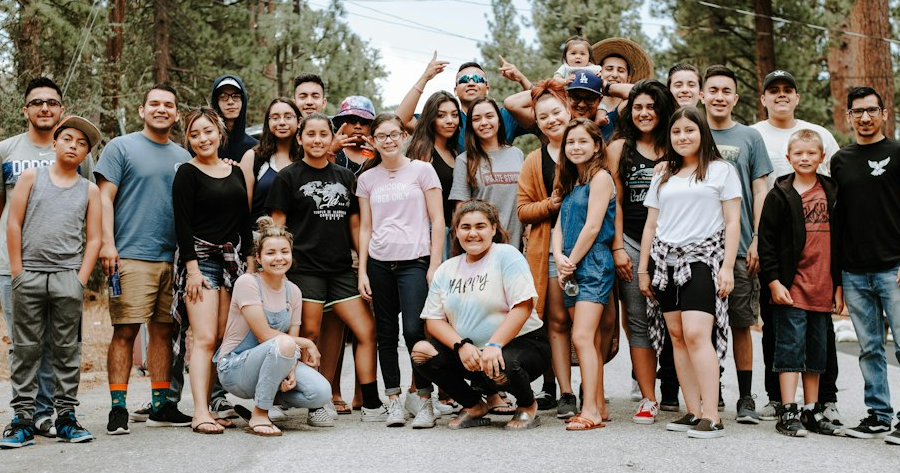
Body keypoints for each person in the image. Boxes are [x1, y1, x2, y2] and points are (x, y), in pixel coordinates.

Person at [265, 113, 384, 421]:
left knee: (366, 329)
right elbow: (277, 230)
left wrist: (364, 265)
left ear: (331, 138)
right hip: (305, 268)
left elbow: (355, 226)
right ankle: (299, 399)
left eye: (323, 134)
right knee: (310, 332)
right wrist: (276, 271)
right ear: (300, 138)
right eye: (311, 134)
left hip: (341, 268)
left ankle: (366, 402)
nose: (317, 140)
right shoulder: (288, 177)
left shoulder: (344, 177)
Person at [0, 77, 94, 439]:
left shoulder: (81, 162)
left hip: (65, 270)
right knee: (25, 345)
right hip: (17, 268)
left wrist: (80, 277)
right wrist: (16, 269)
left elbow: (89, 217)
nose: (44, 107)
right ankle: (25, 415)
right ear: (25, 110)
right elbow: (8, 216)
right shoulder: (9, 152)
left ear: (61, 109)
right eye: (37, 102)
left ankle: (52, 415)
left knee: (61, 345)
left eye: (51, 102)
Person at [96, 84, 193, 435]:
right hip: (131, 255)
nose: (161, 109)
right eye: (154, 104)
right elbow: (104, 198)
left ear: (177, 114)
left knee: (164, 332)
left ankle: (161, 404)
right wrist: (107, 244)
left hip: (174, 259)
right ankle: (117, 408)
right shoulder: (121, 147)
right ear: (142, 110)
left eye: (168, 105)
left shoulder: (184, 156)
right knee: (125, 330)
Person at [639, 106, 742, 439]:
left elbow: (732, 222)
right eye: (676, 131)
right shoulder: (663, 174)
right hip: (664, 263)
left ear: (702, 133)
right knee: (678, 337)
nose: (682, 137)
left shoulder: (721, 171)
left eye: (689, 130)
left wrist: (728, 267)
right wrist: (643, 269)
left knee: (697, 334)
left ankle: (712, 414)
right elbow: (651, 224)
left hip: (702, 261)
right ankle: (693, 410)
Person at [750, 69, 842, 424]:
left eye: (788, 89)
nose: (781, 94)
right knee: (783, 340)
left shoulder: (831, 188)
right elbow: (768, 235)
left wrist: (838, 283)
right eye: (773, 90)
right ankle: (783, 403)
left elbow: (841, 234)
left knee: (818, 345)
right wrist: (773, 277)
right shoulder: (778, 188)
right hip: (788, 276)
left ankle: (815, 406)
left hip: (822, 281)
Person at [411, 199, 549, 430]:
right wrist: (461, 345)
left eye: (480, 226)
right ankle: (474, 405)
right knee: (421, 352)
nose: (473, 233)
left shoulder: (507, 255)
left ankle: (527, 404)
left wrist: (495, 345)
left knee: (503, 363)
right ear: (456, 232)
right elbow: (433, 321)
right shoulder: (446, 269)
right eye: (465, 227)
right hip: (473, 355)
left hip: (523, 346)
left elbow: (523, 306)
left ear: (493, 229)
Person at [357, 113, 444, 428]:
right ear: (373, 141)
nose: (389, 140)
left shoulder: (422, 170)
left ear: (403, 136)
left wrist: (434, 264)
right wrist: (362, 271)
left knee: (413, 330)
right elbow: (365, 227)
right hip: (379, 263)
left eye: (394, 134)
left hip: (414, 261)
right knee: (386, 333)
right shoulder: (367, 179)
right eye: (381, 136)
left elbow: (438, 220)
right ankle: (393, 400)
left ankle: (424, 400)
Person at [171, 107, 253, 434]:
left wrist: (249, 263)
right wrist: (192, 271)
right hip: (200, 262)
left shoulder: (235, 171)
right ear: (188, 140)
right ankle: (200, 413)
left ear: (220, 133)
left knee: (221, 338)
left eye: (207, 131)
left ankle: (210, 405)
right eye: (194, 134)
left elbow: (244, 221)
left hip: (232, 263)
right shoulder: (187, 173)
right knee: (204, 338)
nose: (202, 139)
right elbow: (182, 224)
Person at [216, 216, 332, 436]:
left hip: (275, 361)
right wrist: (308, 343)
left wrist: (290, 371)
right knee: (284, 342)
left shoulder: (293, 291)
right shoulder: (248, 283)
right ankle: (260, 413)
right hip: (236, 368)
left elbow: (291, 345)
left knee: (321, 393)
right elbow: (264, 334)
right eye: (271, 253)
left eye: (284, 252)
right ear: (259, 258)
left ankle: (272, 399)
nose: (279, 258)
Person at [702, 65, 772, 424]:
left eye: (726, 91)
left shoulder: (750, 137)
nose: (719, 97)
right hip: (699, 248)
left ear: (735, 98)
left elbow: (760, 189)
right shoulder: (690, 130)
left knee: (741, 323)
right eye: (713, 90)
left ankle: (745, 397)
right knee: (703, 325)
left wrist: (758, 237)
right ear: (702, 95)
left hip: (742, 246)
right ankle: (711, 391)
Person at [830, 86, 900, 444]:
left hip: (894, 269)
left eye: (872, 110)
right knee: (870, 347)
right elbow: (839, 220)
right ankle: (878, 415)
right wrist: (838, 278)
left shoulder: (898, 154)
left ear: (884, 114)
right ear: (849, 117)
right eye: (858, 111)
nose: (865, 117)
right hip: (854, 271)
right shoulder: (840, 160)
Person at [607, 79, 678, 424]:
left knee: (677, 321)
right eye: (637, 107)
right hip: (632, 243)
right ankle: (648, 398)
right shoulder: (620, 148)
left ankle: (680, 391)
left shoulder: (677, 144)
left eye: (651, 106)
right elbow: (615, 201)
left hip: (674, 244)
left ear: (663, 110)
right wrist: (618, 247)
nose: (644, 113)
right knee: (638, 321)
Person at [552, 118, 616, 431]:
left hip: (592, 264)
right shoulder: (572, 181)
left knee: (581, 336)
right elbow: (558, 226)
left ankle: (589, 410)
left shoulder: (601, 178)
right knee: (589, 337)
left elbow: (592, 227)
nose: (576, 147)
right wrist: (558, 257)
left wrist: (571, 261)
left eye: (582, 141)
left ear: (596, 145)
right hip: (571, 265)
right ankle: (599, 405)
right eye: (570, 142)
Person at [516, 80, 572, 416]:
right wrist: (550, 205)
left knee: (593, 324)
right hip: (548, 250)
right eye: (543, 117)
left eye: (556, 112)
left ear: (569, 110)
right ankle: (562, 390)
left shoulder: (587, 147)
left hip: (589, 248)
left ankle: (592, 388)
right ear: (536, 123)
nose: (551, 120)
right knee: (555, 320)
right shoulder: (534, 160)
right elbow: (523, 210)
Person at [396, 56, 531, 150]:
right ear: (455, 90)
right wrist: (424, 78)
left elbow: (541, 108)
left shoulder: (506, 117)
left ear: (487, 89)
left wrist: (522, 79)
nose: (471, 83)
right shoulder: (447, 121)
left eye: (477, 79)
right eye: (464, 80)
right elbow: (401, 120)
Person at [449, 97, 525, 250]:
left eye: (489, 116)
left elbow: (526, 198)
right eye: (477, 119)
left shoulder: (516, 154)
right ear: (471, 125)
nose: (484, 122)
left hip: (517, 248)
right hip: (482, 248)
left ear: (499, 120)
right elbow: (461, 211)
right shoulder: (464, 161)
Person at [407, 90, 461, 261]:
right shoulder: (424, 149)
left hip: (452, 231)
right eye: (441, 115)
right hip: (428, 232)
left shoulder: (454, 152)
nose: (450, 121)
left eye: (454, 115)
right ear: (431, 119)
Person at [239, 98, 302, 226]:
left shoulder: (307, 158)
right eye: (275, 117)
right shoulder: (252, 157)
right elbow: (243, 210)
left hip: (301, 236)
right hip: (260, 235)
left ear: (299, 121)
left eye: (288, 117)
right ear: (268, 122)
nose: (282, 122)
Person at [591, 37, 654, 141]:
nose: (615, 75)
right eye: (609, 69)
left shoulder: (632, 106)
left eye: (620, 71)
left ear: (628, 79)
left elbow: (643, 91)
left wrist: (607, 87)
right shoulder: (590, 104)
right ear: (599, 73)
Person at [210, 75, 258, 162]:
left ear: (243, 100)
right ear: (216, 101)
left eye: (236, 96)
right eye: (223, 96)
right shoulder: (205, 145)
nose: (230, 102)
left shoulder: (255, 148)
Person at [329, 96, 376, 175]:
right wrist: (331, 152)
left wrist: (380, 156)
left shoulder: (377, 154)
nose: (358, 126)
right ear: (341, 123)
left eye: (364, 121)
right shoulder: (330, 151)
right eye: (352, 120)